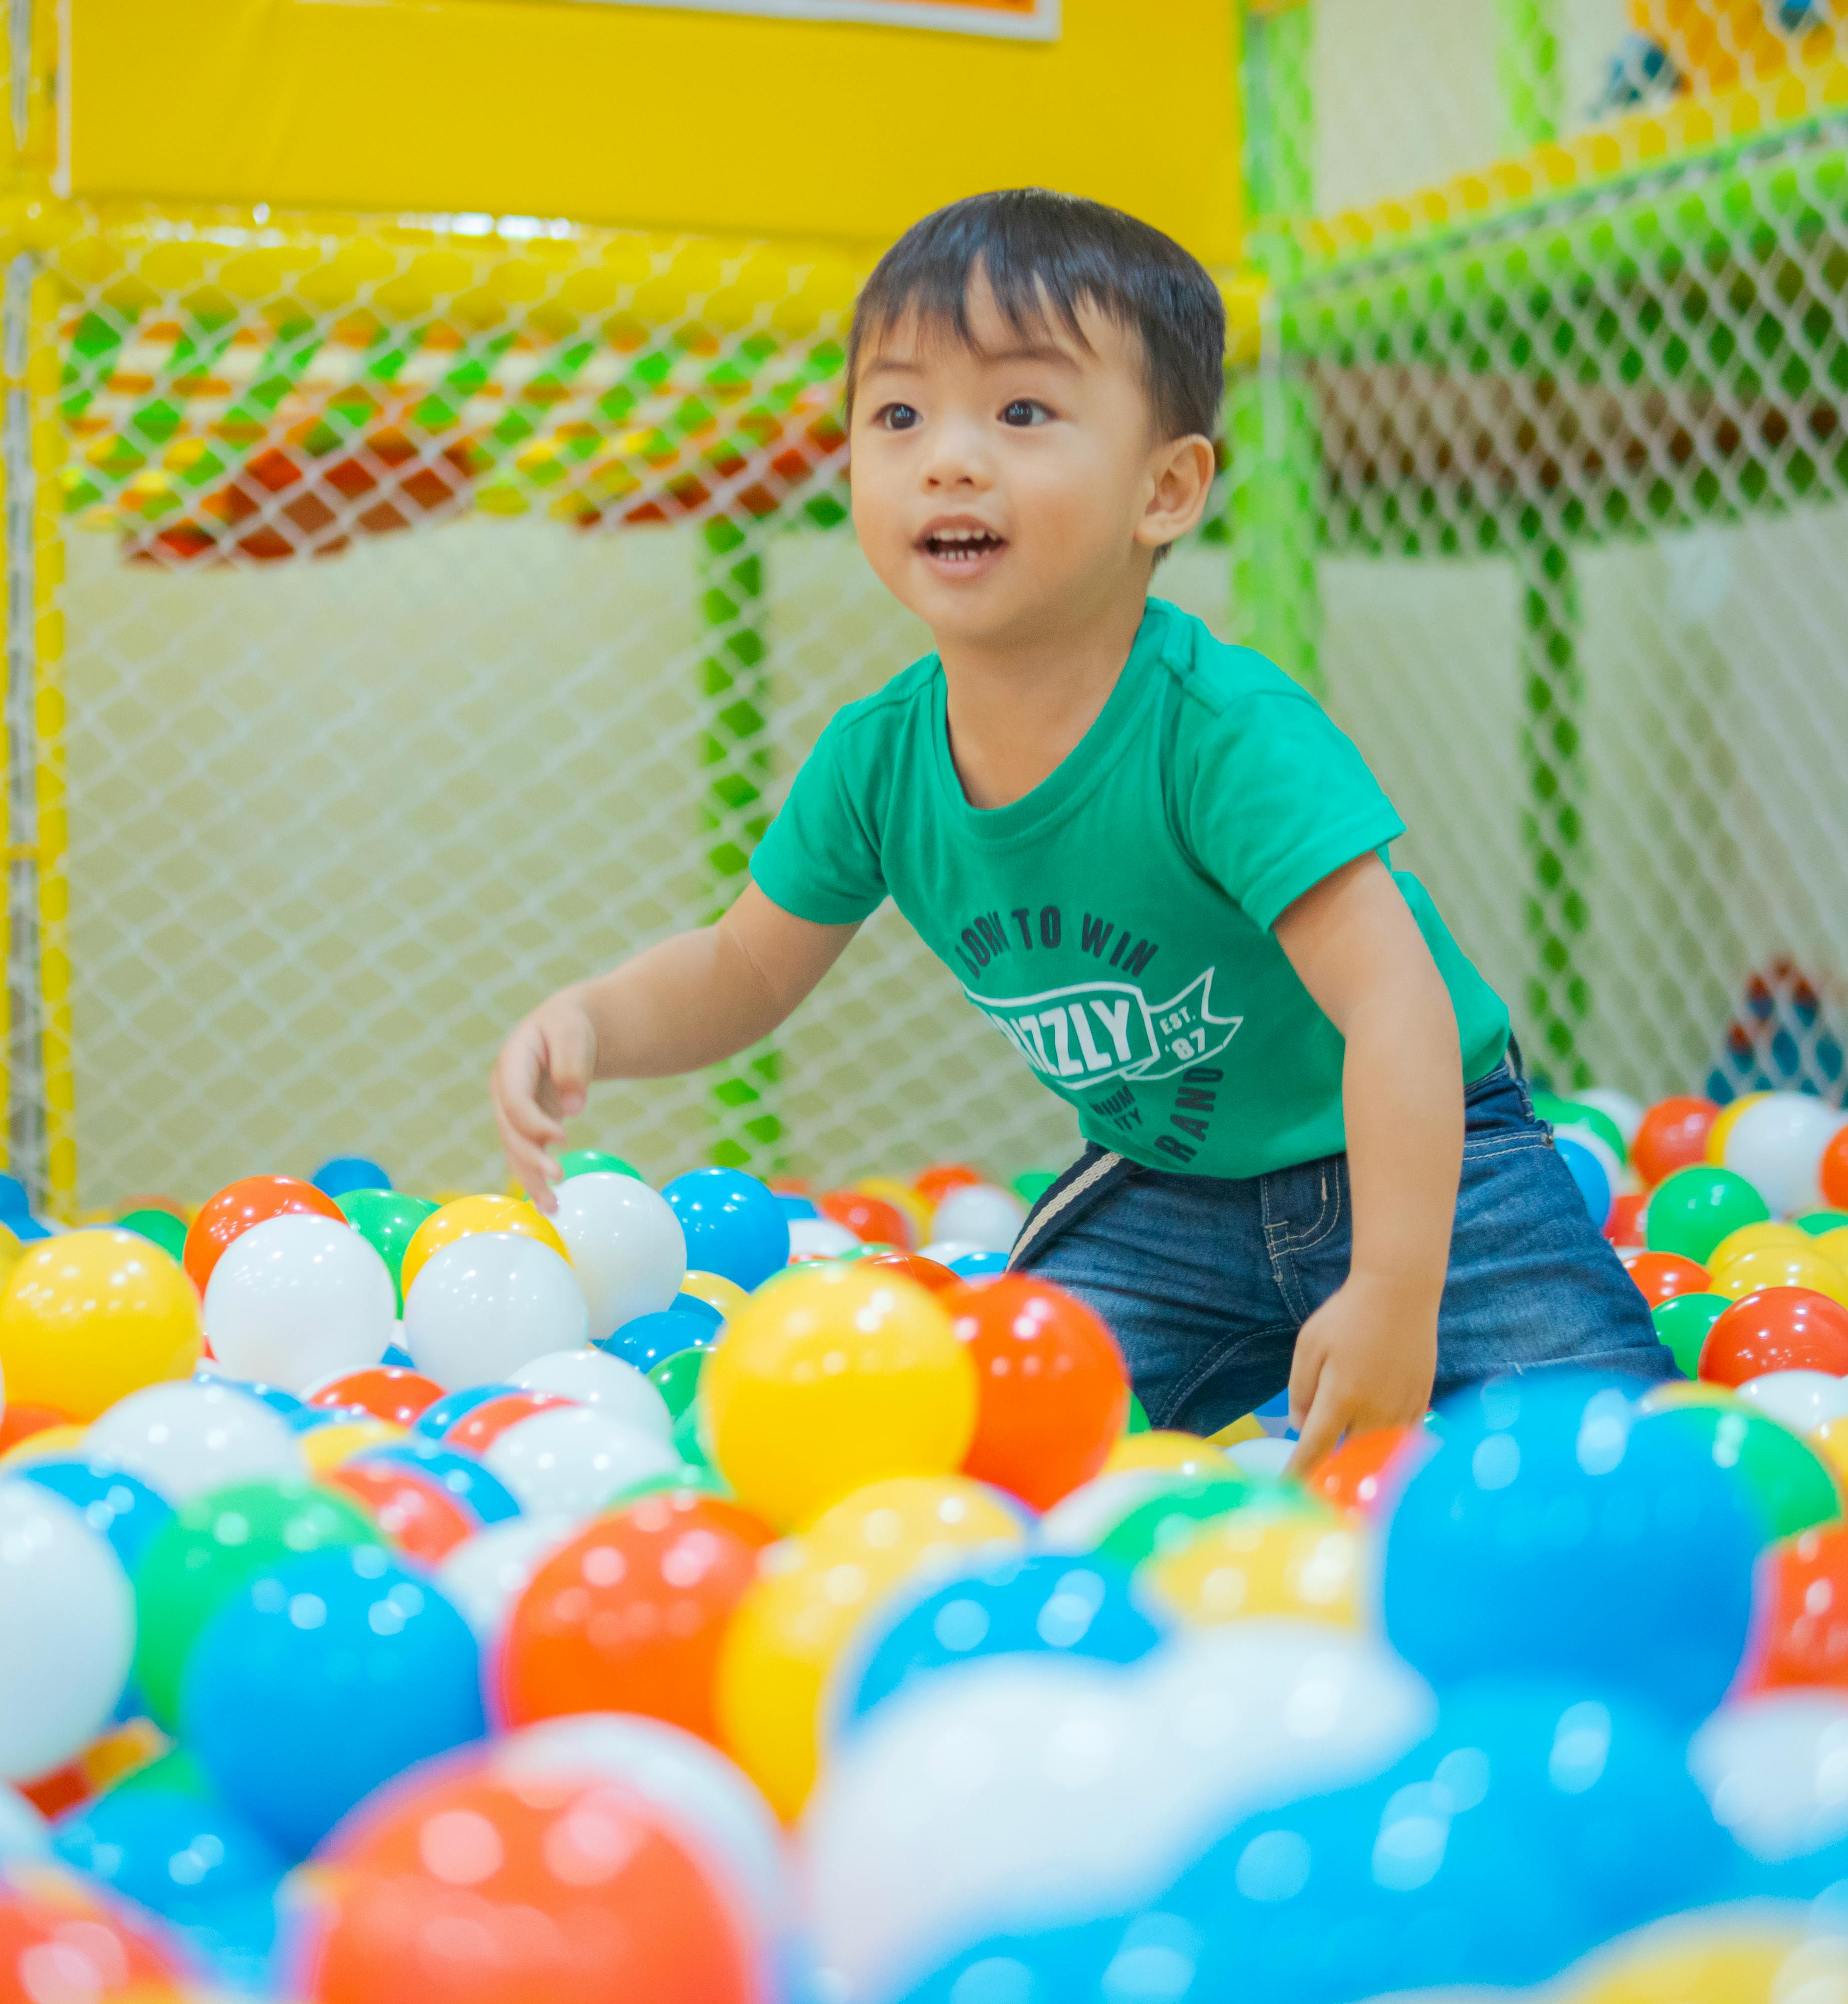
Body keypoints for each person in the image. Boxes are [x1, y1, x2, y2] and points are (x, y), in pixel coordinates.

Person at [490, 189, 1671, 1468]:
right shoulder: (881, 761)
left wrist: (1393, 1285)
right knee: (990, 1435)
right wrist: (595, 1021)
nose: (948, 457)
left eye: (1022, 412)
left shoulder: (1221, 732)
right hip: (1167, 1194)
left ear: (1166, 488)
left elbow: (1398, 1010)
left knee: (1601, 1442)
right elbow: (744, 967)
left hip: (1429, 1163)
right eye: (898, 415)